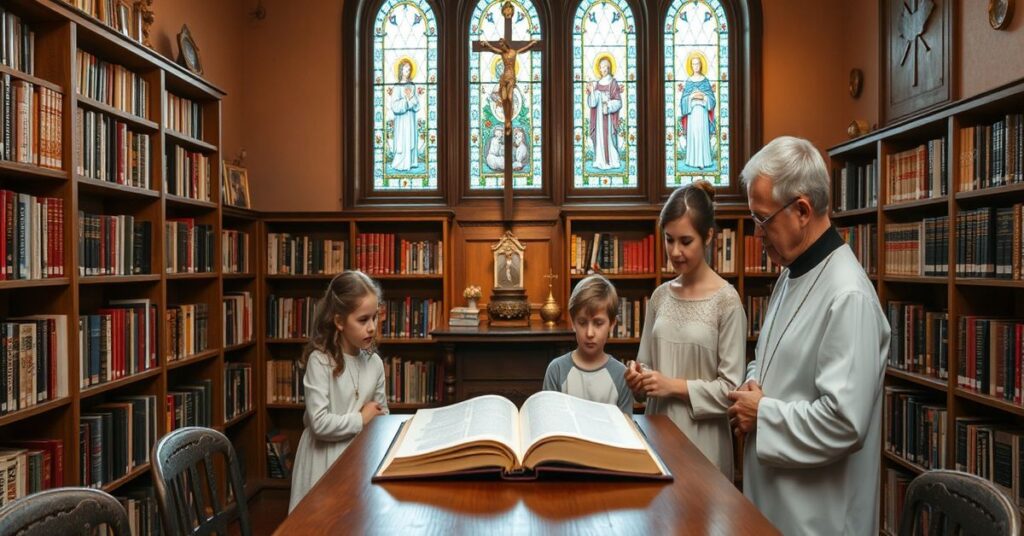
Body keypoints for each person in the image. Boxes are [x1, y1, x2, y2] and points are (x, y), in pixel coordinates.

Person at [726, 136, 890, 535]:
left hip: (820, 518)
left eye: (762, 220)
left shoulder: (847, 295)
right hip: (778, 503)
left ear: (801, 209)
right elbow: (774, 358)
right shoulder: (790, 274)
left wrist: (761, 412)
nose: (757, 234)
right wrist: (753, 380)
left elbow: (843, 422)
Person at [623, 180, 745, 478]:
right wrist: (637, 377)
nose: (675, 251)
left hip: (705, 447)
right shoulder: (660, 297)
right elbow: (646, 365)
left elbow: (731, 390)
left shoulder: (727, 301)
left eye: (685, 241)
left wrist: (672, 386)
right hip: (657, 438)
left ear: (709, 237)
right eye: (669, 239)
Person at [289, 271, 388, 511]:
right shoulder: (320, 361)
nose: (372, 327)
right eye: (363, 320)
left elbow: (382, 415)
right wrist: (361, 419)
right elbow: (319, 423)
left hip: (360, 459)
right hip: (321, 462)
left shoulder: (374, 363)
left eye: (375, 318)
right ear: (339, 321)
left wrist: (374, 420)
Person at [543, 274, 633, 414]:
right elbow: (549, 421)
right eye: (582, 323)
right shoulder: (557, 370)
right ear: (573, 323)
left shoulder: (621, 375)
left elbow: (625, 429)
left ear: (612, 324)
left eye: (598, 323)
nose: (590, 333)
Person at [679, 54, 716, 169]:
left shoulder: (705, 81)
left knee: (702, 135)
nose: (696, 66)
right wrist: (691, 97)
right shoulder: (689, 82)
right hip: (692, 114)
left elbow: (712, 100)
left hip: (703, 113)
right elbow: (683, 101)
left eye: (698, 63)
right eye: (693, 64)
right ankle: (692, 161)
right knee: (694, 135)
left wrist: (703, 97)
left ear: (701, 65)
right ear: (691, 66)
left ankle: (704, 161)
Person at [586, 56, 623, 170]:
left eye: (606, 66)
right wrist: (592, 92)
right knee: (600, 139)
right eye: (602, 67)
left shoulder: (613, 83)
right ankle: (600, 161)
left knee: (610, 139)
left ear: (609, 68)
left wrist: (608, 104)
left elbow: (618, 102)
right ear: (599, 69)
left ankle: (612, 161)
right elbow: (592, 104)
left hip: (609, 118)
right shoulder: (597, 84)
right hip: (598, 119)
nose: (604, 69)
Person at [390, 59, 419, 171]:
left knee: (411, 138)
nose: (407, 71)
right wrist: (406, 101)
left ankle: (411, 162)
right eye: (405, 69)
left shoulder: (412, 86)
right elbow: (394, 106)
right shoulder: (396, 87)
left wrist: (411, 97)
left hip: (410, 118)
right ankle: (400, 163)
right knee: (402, 140)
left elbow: (417, 105)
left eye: (409, 69)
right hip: (401, 119)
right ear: (401, 70)